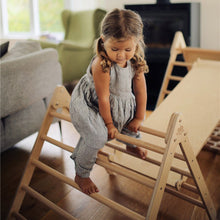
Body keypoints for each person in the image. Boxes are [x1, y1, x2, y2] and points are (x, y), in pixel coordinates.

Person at [69, 8, 149, 195]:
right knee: (98, 135)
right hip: (91, 104)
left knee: (131, 121)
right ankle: (81, 173)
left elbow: (141, 91)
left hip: (115, 103)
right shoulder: (101, 64)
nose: (121, 55)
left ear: (137, 43)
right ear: (104, 40)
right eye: (115, 49)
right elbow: (103, 98)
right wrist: (109, 124)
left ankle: (131, 143)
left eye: (127, 49)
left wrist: (139, 117)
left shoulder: (135, 62)